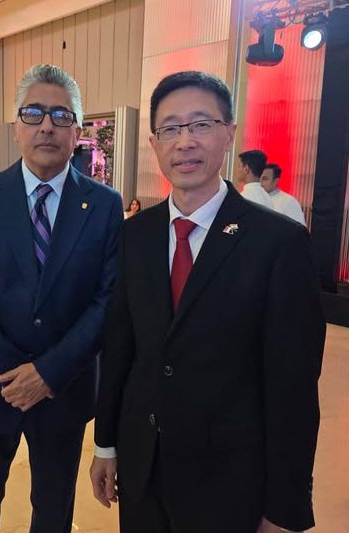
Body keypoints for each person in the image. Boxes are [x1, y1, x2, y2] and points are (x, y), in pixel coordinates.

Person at [90, 71, 325, 533]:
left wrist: (285, 506)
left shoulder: (279, 243)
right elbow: (120, 349)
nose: (185, 142)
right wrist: (106, 445)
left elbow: (293, 388)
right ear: (155, 143)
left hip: (229, 481)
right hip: (143, 468)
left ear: (229, 133)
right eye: (170, 129)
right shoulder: (135, 234)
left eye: (201, 124)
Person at [0, 64, 122, 533]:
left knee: (54, 511)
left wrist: (47, 374)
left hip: (65, 389)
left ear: (77, 131)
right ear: (16, 127)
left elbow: (107, 301)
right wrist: (15, 374)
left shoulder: (104, 205)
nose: (47, 126)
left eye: (61, 115)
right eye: (33, 113)